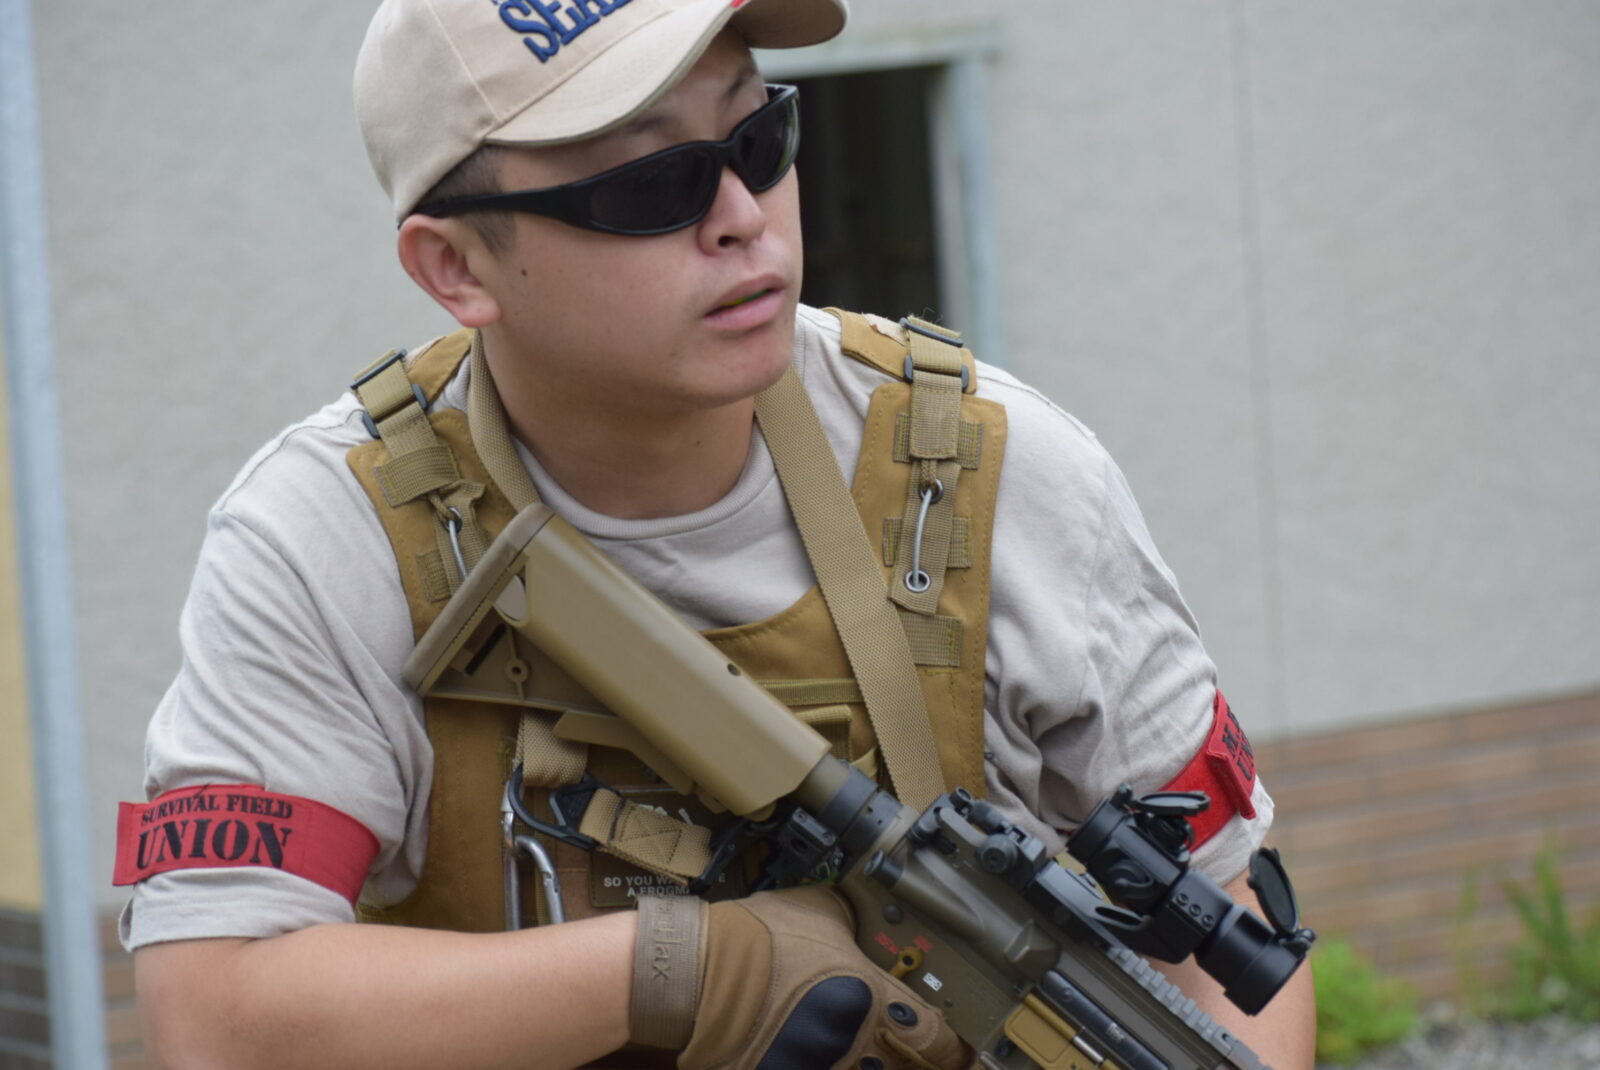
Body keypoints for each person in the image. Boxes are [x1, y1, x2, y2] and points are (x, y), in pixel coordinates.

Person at [118, 0, 1316, 1066]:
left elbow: (1228, 938)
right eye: (652, 185)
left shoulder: (1001, 472)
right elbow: (210, 1016)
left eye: (758, 141)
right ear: (456, 266)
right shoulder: (328, 536)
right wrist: (699, 967)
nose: (745, 218)